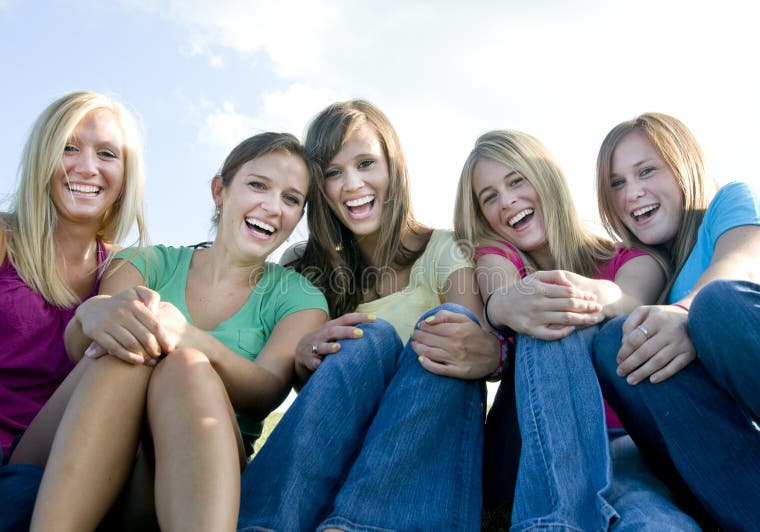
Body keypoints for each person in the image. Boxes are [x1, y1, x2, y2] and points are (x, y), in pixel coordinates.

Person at [12, 132, 329, 531]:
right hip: (69, 456)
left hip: (185, 477)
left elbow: (267, 390)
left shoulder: (299, 297)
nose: (271, 206)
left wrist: (191, 341)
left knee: (185, 366)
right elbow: (90, 350)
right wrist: (92, 313)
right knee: (128, 346)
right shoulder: (144, 262)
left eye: (291, 199)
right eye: (257, 185)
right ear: (220, 190)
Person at [237, 100, 500, 531]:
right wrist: (303, 353)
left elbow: (469, 345)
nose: (352, 184)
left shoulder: (443, 248)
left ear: (393, 168)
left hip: (420, 451)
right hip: (337, 451)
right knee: (366, 340)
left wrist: (486, 347)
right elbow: (289, 374)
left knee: (444, 328)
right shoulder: (303, 263)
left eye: (365, 163)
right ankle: (263, 524)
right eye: (333, 173)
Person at [454, 130, 699, 530]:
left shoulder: (633, 258)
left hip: (620, 441)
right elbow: (499, 290)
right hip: (525, 446)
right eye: (490, 197)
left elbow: (631, 297)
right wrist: (502, 305)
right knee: (546, 310)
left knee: (651, 517)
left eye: (517, 181)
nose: (508, 200)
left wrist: (591, 292)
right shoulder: (497, 256)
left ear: (546, 179)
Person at [592, 112, 760, 530]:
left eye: (646, 171)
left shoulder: (737, 201)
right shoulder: (658, 275)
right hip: (757, 472)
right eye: (617, 183)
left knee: (717, 304)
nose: (633, 193)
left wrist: (685, 315)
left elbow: (742, 265)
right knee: (617, 340)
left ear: (684, 165)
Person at [0, 91, 146, 531]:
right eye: (69, 147)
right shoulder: (5, 238)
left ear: (124, 174)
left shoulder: (125, 266)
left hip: (64, 458)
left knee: (132, 348)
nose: (87, 167)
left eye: (106, 154)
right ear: (44, 154)